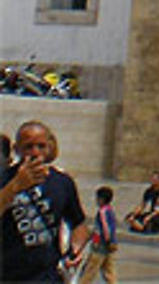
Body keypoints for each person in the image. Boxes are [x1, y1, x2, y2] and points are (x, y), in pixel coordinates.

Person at [0, 119, 88, 282]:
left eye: (41, 146)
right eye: (28, 146)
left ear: (49, 148)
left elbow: (79, 223)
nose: (35, 152)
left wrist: (75, 248)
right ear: (16, 149)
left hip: (48, 275)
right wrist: (15, 186)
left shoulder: (62, 182)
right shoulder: (4, 179)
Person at [80, 185, 117, 283]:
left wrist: (101, 241)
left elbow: (104, 229)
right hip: (109, 245)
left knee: (90, 270)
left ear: (101, 199)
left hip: (101, 244)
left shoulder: (102, 212)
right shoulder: (110, 210)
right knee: (109, 271)